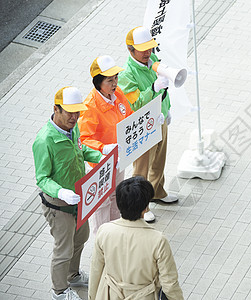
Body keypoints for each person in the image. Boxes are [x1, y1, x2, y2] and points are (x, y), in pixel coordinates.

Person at [32, 87, 103, 299]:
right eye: (69, 112)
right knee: (63, 250)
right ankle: (59, 291)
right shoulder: (44, 140)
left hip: (78, 200)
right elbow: (42, 178)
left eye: (77, 112)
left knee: (81, 237)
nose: (74, 117)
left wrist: (100, 154)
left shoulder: (73, 129)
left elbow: (81, 151)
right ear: (56, 109)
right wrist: (61, 191)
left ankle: (73, 275)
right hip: (59, 205)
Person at [118, 26, 178, 222]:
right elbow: (135, 104)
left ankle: (157, 191)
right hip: (143, 127)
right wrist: (153, 88)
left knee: (159, 160)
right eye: (142, 49)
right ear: (130, 50)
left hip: (159, 119)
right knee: (141, 169)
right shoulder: (127, 75)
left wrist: (166, 110)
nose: (147, 52)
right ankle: (142, 207)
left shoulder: (153, 62)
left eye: (149, 48)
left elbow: (164, 91)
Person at [88, 176, 184, 300]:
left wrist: (92, 296)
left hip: (109, 294)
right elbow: (170, 284)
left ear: (118, 204)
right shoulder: (158, 240)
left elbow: (96, 270)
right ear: (145, 208)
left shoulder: (104, 231)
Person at [78, 55, 134, 230]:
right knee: (102, 204)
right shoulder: (90, 107)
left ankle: (115, 233)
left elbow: (129, 117)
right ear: (98, 82)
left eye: (116, 78)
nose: (115, 83)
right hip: (100, 165)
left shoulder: (117, 94)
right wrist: (102, 148)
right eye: (110, 80)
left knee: (117, 197)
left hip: (118, 159)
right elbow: (83, 140)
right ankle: (102, 241)